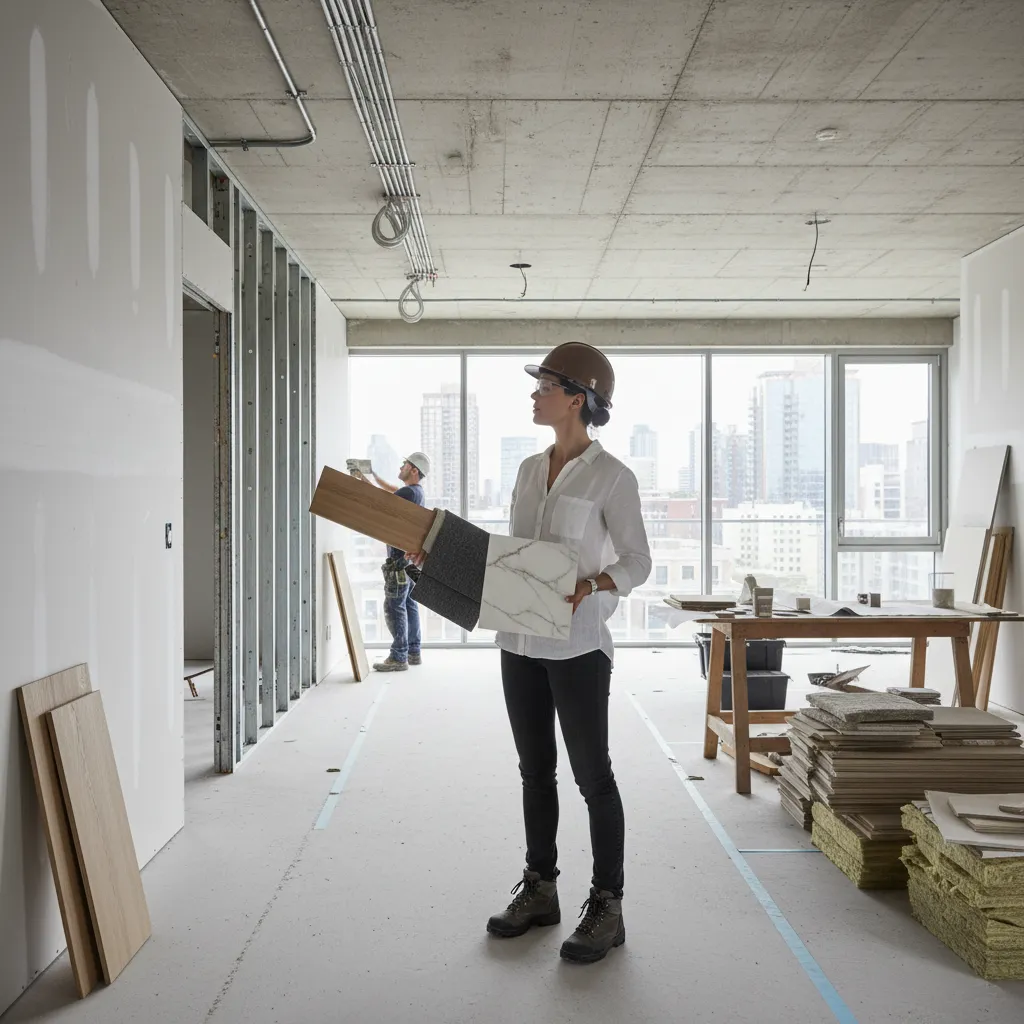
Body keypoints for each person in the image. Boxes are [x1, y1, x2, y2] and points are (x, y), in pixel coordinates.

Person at [486, 342, 651, 964]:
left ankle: (608, 905)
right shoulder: (530, 469)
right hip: (519, 641)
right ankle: (541, 889)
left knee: (593, 777)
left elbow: (637, 560)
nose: (534, 394)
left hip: (579, 647)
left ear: (576, 397)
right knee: (534, 771)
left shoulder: (614, 476)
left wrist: (595, 584)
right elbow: (516, 554)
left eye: (544, 385)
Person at [366, 452, 430, 672]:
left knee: (394, 606)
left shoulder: (407, 492)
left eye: (406, 464)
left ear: (414, 470)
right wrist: (372, 476)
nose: (401, 466)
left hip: (399, 560)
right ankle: (413, 652)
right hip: (409, 559)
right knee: (410, 604)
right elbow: (391, 490)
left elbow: (378, 499)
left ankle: (398, 656)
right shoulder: (415, 492)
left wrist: (360, 480)